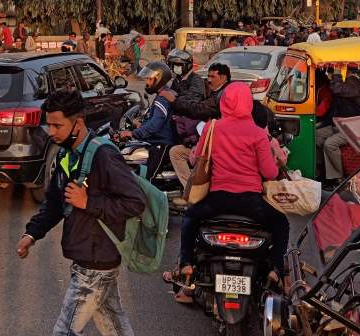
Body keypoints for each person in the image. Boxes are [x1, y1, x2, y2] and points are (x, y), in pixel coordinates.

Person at [9, 90, 152, 336]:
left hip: (96, 265)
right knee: (119, 329)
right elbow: (57, 203)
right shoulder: (66, 155)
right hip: (89, 257)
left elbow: (135, 203)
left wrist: (92, 203)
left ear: (78, 123)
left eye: (57, 125)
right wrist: (32, 233)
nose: (51, 132)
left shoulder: (104, 157)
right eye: (49, 125)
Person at [167, 83, 290, 301]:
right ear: (247, 104)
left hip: (217, 199)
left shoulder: (212, 128)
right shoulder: (257, 133)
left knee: (190, 218)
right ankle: (276, 271)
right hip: (251, 202)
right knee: (281, 224)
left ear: (224, 102)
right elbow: (270, 172)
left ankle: (186, 265)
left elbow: (195, 159)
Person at [164, 60, 231, 208]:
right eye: (209, 76)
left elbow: (198, 110)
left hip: (214, 147)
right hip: (207, 141)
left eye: (213, 77)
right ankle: (191, 191)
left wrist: (175, 101)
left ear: (223, 78)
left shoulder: (220, 97)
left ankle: (196, 195)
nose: (209, 80)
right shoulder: (214, 93)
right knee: (177, 151)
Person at [119, 61, 175, 176]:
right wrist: (140, 125)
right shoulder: (161, 95)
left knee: (148, 178)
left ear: (158, 79)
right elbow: (152, 119)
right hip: (155, 140)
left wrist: (133, 133)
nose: (147, 82)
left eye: (149, 79)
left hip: (162, 143)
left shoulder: (163, 98)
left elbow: (155, 124)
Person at [321, 70, 360, 183]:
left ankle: (338, 178)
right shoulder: (349, 83)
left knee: (330, 144)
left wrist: (337, 73)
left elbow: (337, 89)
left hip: (353, 127)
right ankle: (322, 172)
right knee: (316, 136)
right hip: (341, 125)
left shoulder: (354, 84)